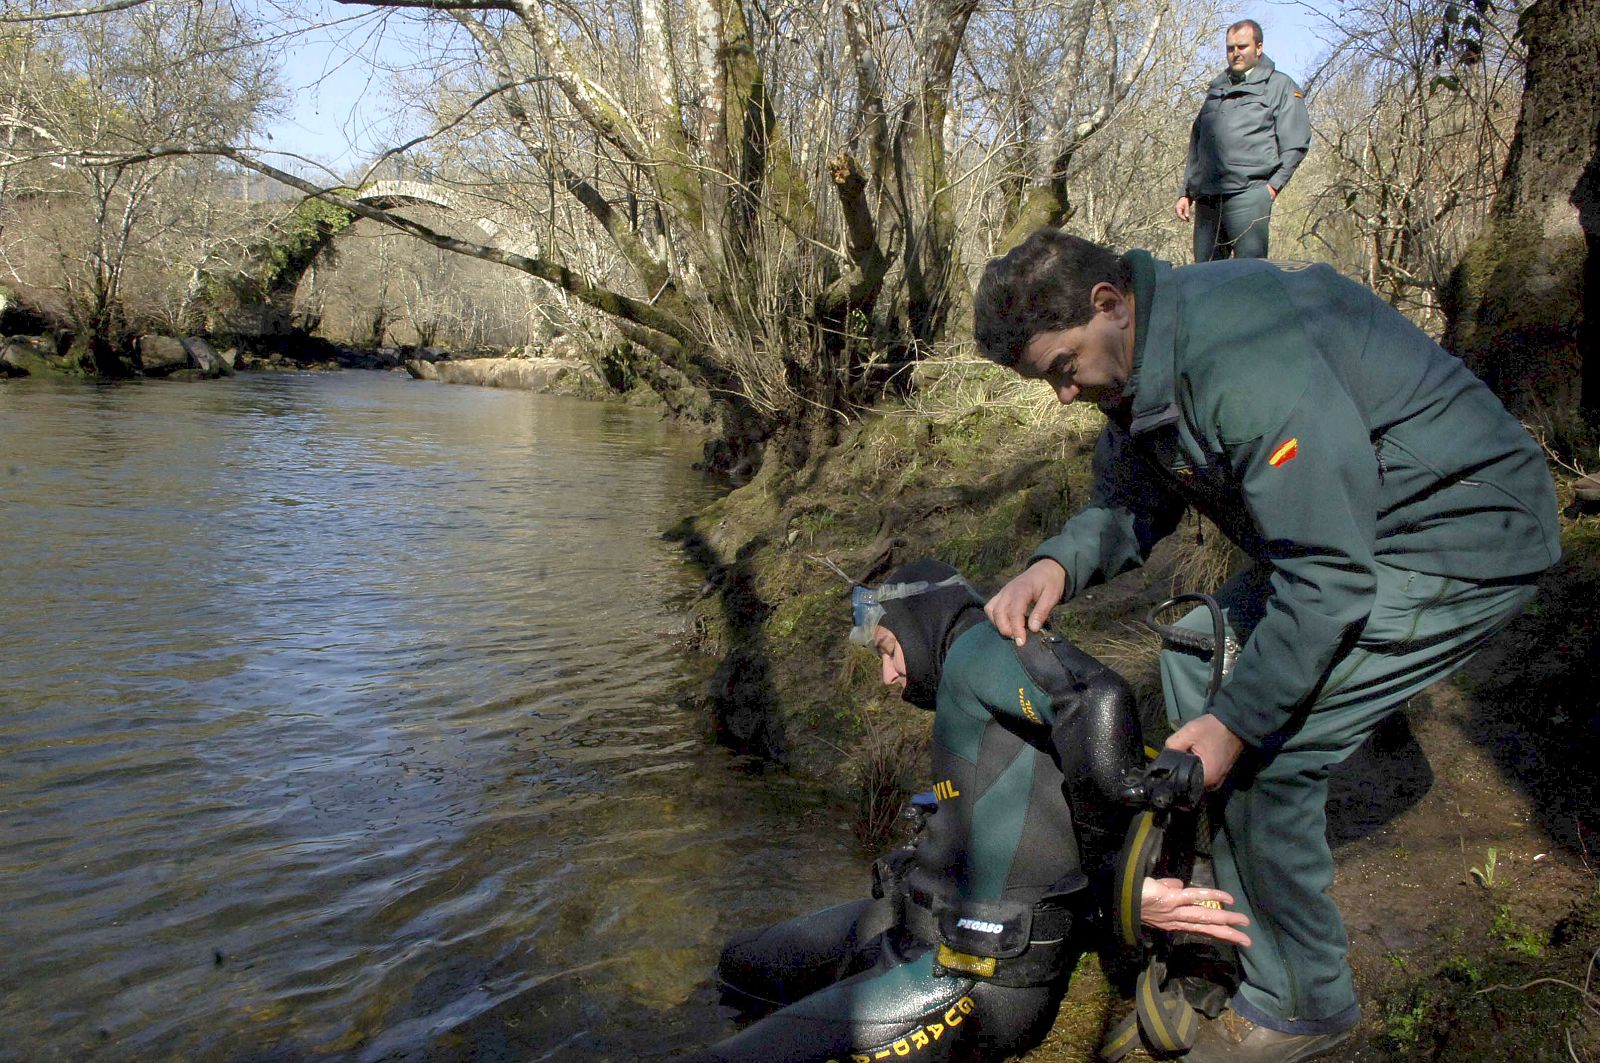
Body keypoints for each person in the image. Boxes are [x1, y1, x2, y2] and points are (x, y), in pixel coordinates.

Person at [972, 228, 1560, 1062]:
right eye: (1048, 381)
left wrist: (1236, 726)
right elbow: (1129, 501)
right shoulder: (1139, 364)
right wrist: (1055, 566)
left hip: (1458, 535)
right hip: (1352, 531)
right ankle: (1227, 914)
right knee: (1189, 652)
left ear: (1107, 304)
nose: (1063, 395)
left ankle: (1302, 1007)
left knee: (1269, 749)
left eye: (1063, 368)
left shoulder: (1242, 355)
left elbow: (1327, 576)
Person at [692, 560, 1251, 1063]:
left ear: (920, 621)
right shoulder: (976, 678)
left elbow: (1096, 697)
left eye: (887, 651)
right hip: (911, 926)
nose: (887, 678)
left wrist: (1122, 881)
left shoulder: (978, 649)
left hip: (974, 976)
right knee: (740, 966)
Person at [1174, 19, 1310, 262]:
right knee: (1204, 280)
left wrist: (1271, 188)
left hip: (1249, 195)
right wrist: (1187, 192)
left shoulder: (1279, 86)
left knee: (1248, 278)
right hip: (1208, 199)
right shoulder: (1216, 90)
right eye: (1230, 48)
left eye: (1242, 47)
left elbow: (1296, 143)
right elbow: (1198, 142)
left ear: (1258, 48)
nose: (1235, 53)